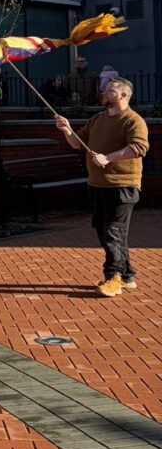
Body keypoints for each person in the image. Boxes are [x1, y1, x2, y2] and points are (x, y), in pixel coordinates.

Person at [54, 77, 149, 297]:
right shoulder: (97, 119)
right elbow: (78, 143)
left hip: (123, 185)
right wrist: (67, 129)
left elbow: (138, 147)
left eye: (110, 91)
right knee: (105, 230)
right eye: (104, 90)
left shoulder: (133, 120)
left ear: (123, 95)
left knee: (113, 232)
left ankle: (112, 277)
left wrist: (109, 158)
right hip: (97, 184)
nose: (104, 93)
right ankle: (127, 276)